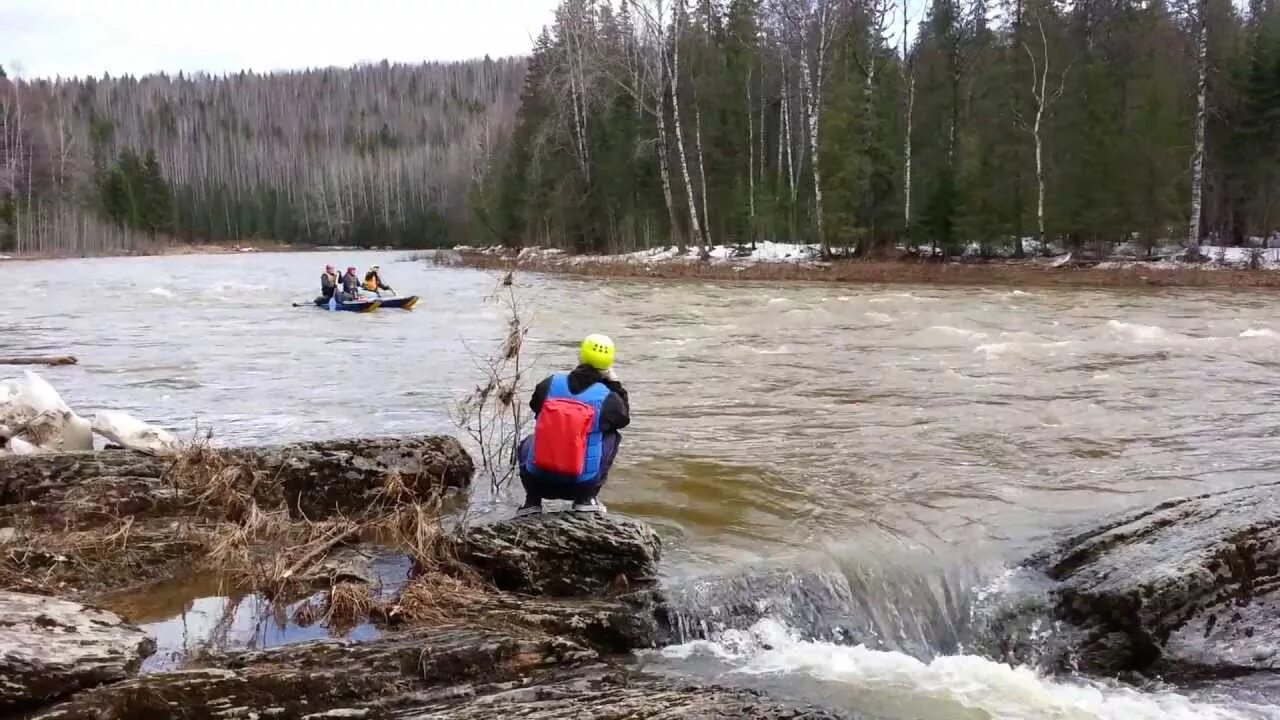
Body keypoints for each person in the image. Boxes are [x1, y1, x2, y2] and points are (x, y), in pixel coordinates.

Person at [516, 334, 629, 516]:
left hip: (539, 481)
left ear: (580, 356)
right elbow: (623, 419)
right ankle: (586, 500)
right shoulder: (609, 397)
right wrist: (615, 383)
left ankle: (532, 501)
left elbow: (535, 407)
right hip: (580, 485)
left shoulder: (550, 384)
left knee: (529, 440)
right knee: (612, 436)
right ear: (608, 364)